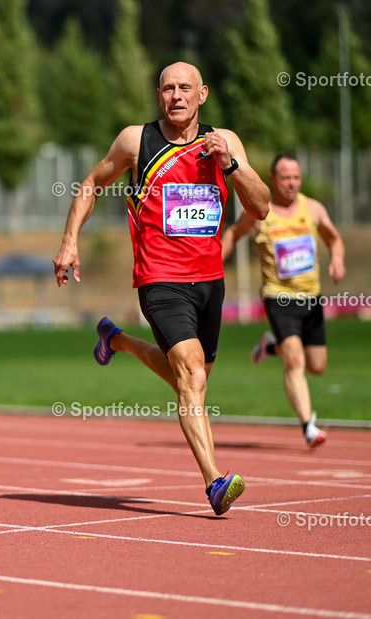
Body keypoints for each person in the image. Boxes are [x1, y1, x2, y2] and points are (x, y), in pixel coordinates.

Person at [52, 62, 270, 516]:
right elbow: (91, 184)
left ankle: (119, 341)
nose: (176, 96)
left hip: (210, 281)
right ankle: (214, 481)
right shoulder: (137, 141)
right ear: (158, 95)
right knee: (191, 373)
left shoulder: (225, 141)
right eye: (168, 88)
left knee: (194, 376)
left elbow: (263, 206)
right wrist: (70, 241)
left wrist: (230, 164)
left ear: (202, 94)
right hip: (159, 278)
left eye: (185, 88)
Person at [222, 153, 345, 448]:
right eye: (285, 178)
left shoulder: (312, 208)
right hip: (278, 296)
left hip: (310, 298)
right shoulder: (258, 212)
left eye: (296, 177)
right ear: (272, 180)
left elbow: (334, 238)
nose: (291, 183)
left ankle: (268, 346)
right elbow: (232, 234)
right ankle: (308, 426)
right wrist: (213, 264)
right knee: (293, 359)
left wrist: (337, 260)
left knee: (316, 365)